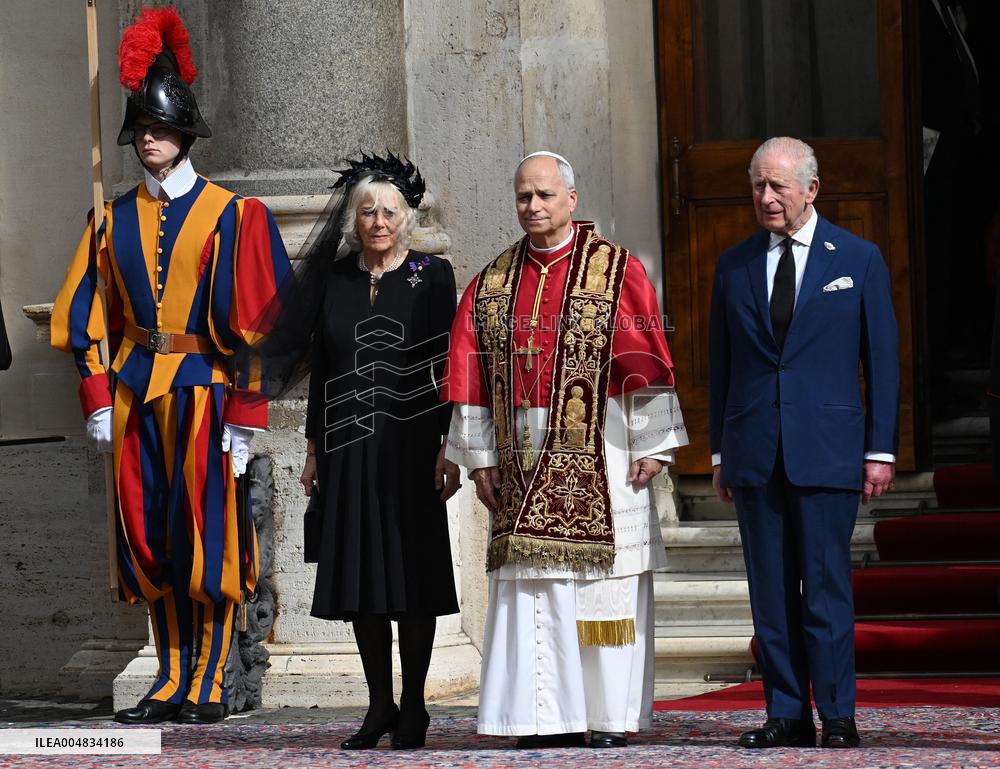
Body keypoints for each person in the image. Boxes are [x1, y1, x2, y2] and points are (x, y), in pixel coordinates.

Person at [51, 7, 290, 725]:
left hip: (205, 397)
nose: (147, 140)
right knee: (151, 539)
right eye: (140, 132)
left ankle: (213, 676)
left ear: (183, 134)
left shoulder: (232, 215)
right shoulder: (111, 219)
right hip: (135, 397)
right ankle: (171, 674)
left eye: (157, 129)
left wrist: (246, 418)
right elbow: (87, 318)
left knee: (208, 541)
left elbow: (257, 330)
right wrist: (98, 397)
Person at [443, 151, 687, 749]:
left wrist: (654, 444)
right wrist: (480, 459)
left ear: (571, 200)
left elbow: (647, 360)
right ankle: (539, 717)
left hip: (603, 446)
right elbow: (470, 375)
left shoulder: (616, 270)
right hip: (521, 453)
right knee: (535, 589)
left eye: (545, 195)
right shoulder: (493, 280)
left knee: (604, 585)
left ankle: (606, 717)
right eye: (524, 196)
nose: (534, 206)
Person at [709, 137, 899, 749]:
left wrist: (881, 449)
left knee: (824, 588)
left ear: (811, 189)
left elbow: (884, 362)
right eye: (758, 186)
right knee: (770, 591)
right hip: (756, 451)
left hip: (829, 452)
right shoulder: (733, 264)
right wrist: (719, 452)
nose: (766, 197)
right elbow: (722, 364)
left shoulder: (859, 258)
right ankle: (785, 712)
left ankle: (838, 713)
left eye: (778, 186)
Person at [294, 154, 461, 750]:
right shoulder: (335, 278)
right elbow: (322, 369)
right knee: (363, 578)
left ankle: (414, 704)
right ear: (354, 219)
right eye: (368, 211)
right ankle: (379, 705)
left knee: (412, 575)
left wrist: (451, 443)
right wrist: (314, 448)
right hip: (345, 445)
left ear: (407, 218)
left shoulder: (432, 275)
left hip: (413, 446)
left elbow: (452, 366)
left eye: (389, 211)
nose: (378, 220)